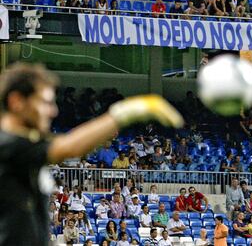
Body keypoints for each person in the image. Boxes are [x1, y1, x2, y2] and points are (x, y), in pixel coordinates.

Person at [0, 62, 182, 246]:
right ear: (16, 101)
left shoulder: (26, 152)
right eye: (44, 102)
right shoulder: (6, 144)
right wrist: (125, 113)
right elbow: (70, 146)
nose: (53, 110)